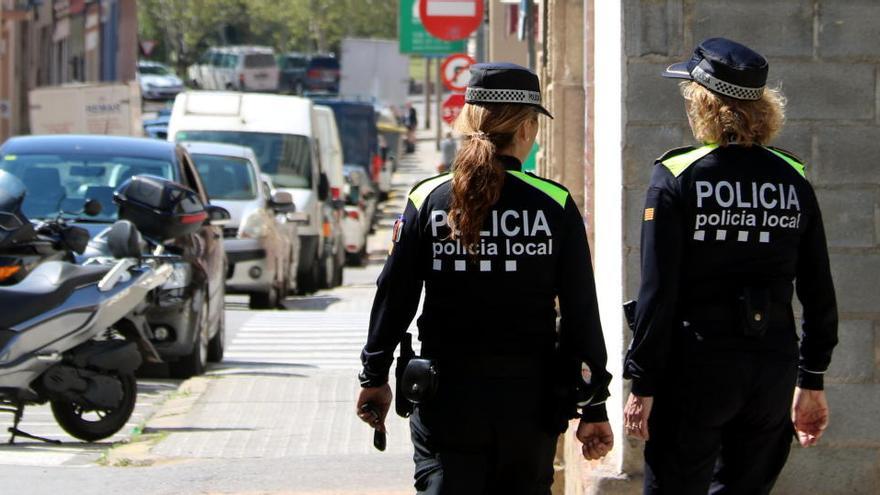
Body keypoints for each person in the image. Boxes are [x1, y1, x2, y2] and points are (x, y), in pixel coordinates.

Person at [356, 62, 614, 494]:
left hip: (447, 400)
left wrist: (374, 375)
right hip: (529, 404)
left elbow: (394, 297)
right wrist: (594, 405)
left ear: (468, 119)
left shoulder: (429, 198)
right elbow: (580, 312)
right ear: (528, 128)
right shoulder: (554, 205)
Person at [623, 38, 838, 495]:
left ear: (704, 104)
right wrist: (811, 379)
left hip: (697, 366)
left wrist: (642, 383)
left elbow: (657, 292)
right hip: (772, 369)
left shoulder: (677, 175)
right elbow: (819, 289)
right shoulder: (792, 176)